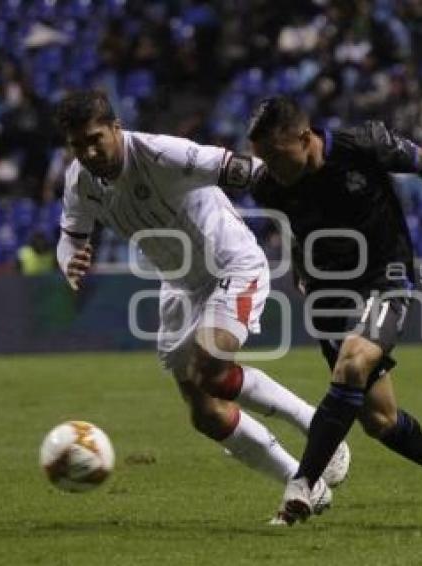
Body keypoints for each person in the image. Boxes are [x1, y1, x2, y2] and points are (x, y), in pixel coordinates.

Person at [54, 90, 350, 515]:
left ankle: (318, 427)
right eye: (77, 144)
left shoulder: (162, 155)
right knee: (205, 413)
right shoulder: (79, 180)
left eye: (95, 138)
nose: (89, 151)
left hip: (233, 266)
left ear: (116, 128)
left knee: (208, 366)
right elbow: (71, 236)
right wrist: (70, 262)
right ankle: (304, 483)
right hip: (179, 285)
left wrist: (305, 228)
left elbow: (250, 170)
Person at [246, 96, 422, 525]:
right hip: (328, 292)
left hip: (384, 275)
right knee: (379, 419)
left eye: (275, 155)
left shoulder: (363, 144)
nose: (270, 167)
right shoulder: (269, 183)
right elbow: (296, 221)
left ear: (305, 138)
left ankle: (301, 484)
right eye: (263, 159)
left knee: (352, 364)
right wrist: (299, 264)